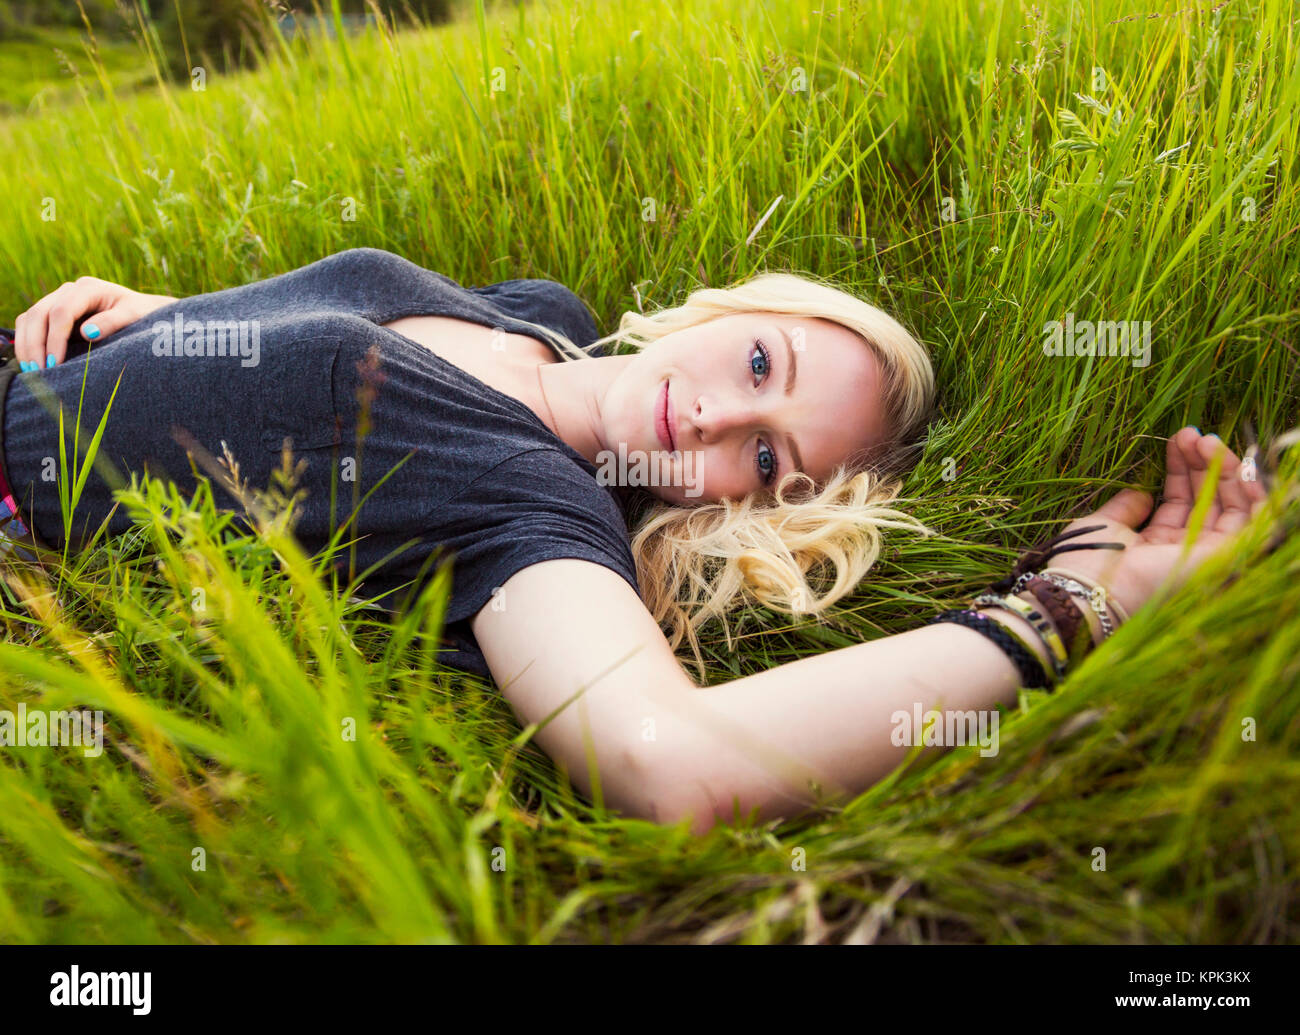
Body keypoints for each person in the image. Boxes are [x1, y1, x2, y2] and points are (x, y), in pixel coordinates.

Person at [0, 248, 1273, 835]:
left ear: (738, 516)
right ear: (735, 310)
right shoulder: (543, 324)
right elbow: (300, 339)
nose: (720, 411)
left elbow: (676, 765)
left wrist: (1068, 605)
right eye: (761, 360)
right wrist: (170, 319)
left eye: (766, 460)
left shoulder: (525, 507)